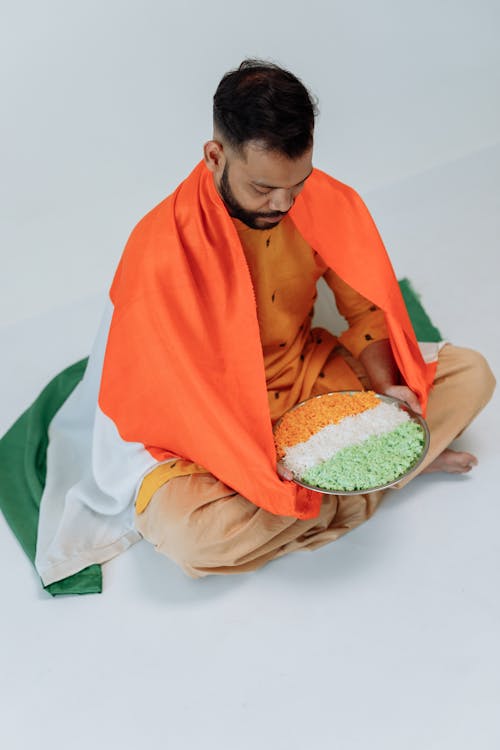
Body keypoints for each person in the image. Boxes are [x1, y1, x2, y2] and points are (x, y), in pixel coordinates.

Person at [25, 60, 497, 588]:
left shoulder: (316, 200)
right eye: (264, 188)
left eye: (299, 182)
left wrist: (388, 393)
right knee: (192, 538)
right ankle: (368, 482)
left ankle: (330, 492)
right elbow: (168, 399)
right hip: (211, 424)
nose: (285, 203)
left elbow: (365, 311)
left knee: (473, 374)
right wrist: (257, 460)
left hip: (307, 383)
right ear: (215, 156)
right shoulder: (159, 250)